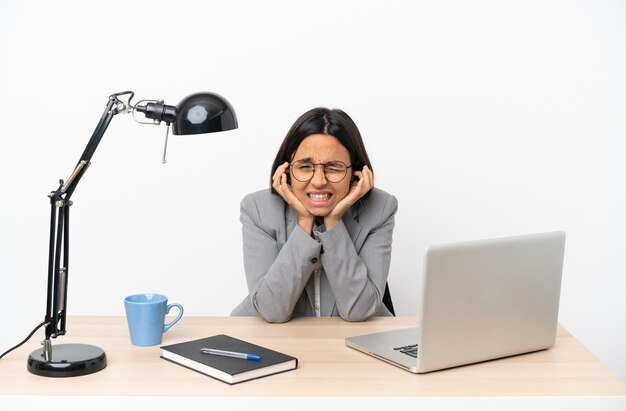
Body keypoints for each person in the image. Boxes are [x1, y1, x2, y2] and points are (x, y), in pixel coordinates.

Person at [231, 107, 398, 323]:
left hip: (354, 342)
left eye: (334, 167)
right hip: (270, 340)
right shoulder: (258, 209)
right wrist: (304, 223)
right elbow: (272, 311)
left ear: (355, 173)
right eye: (305, 166)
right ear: (286, 171)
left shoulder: (381, 209)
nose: (319, 181)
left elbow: (359, 310)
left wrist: (333, 223)